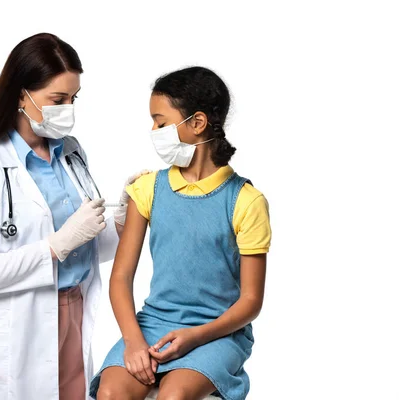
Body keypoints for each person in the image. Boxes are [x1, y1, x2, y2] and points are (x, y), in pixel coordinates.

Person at [0, 33, 145, 400]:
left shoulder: (70, 152)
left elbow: (85, 245)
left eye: (73, 99)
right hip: (16, 326)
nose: (67, 108)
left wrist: (123, 217)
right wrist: (55, 246)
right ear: (21, 94)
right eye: (57, 99)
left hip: (73, 312)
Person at [91, 67, 272, 400]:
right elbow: (120, 278)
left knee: (174, 396)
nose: (153, 131)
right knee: (111, 393)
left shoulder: (246, 201)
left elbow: (250, 301)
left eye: (160, 122)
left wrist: (196, 336)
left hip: (218, 331)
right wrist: (133, 342)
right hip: (153, 325)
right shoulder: (146, 189)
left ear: (197, 123)